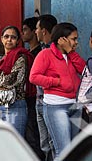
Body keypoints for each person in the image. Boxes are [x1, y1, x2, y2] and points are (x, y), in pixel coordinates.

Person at [30, 22, 86, 158]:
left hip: (74, 105)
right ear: (62, 39)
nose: (76, 42)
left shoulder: (72, 55)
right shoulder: (45, 54)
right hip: (55, 106)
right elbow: (33, 77)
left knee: (73, 150)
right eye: (73, 39)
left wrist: (71, 52)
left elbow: (84, 70)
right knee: (63, 150)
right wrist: (56, 82)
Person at [0, 26, 34, 136]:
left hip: (14, 105)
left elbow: (11, 81)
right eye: (6, 37)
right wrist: (0, 83)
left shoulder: (21, 58)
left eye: (13, 37)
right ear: (1, 39)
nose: (9, 40)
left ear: (17, 41)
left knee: (14, 143)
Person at [34, 14, 58, 161]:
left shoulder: (55, 51)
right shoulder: (43, 49)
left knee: (52, 142)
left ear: (43, 31)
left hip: (50, 102)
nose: (35, 31)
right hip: (40, 101)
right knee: (45, 144)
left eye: (37, 28)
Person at [22, 17, 44, 160]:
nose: (22, 33)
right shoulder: (28, 52)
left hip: (35, 98)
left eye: (25, 30)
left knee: (35, 137)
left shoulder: (39, 53)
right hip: (29, 99)